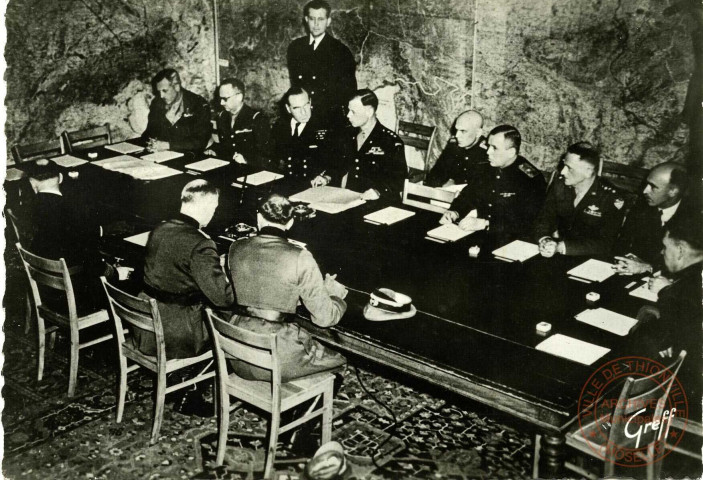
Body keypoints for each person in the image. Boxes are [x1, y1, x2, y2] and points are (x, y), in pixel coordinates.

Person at [227, 193, 347, 382]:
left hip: (237, 352)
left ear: (259, 218)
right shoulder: (301, 256)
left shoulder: (236, 247)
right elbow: (325, 319)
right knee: (338, 361)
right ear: (290, 222)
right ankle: (301, 407)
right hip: (276, 358)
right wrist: (335, 296)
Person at [135, 180, 234, 360]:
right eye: (214, 208)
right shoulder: (201, 242)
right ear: (207, 206)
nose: (214, 213)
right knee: (238, 319)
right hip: (179, 336)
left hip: (144, 325)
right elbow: (222, 298)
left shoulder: (159, 228)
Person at [24, 159, 131, 309]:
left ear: (32, 183)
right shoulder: (72, 213)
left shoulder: (27, 210)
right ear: (61, 178)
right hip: (73, 298)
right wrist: (115, 273)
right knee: (132, 281)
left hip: (45, 290)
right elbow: (91, 262)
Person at [439, 125, 545, 245]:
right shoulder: (485, 168)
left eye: (494, 148)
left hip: (514, 243)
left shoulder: (530, 180)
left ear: (511, 152)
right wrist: (454, 212)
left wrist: (486, 223)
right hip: (483, 237)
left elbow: (527, 221)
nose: (488, 152)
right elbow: (469, 195)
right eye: (488, 146)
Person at [637, 214, 702, 406]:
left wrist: (665, 291)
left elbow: (678, 327)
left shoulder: (690, 285)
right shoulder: (693, 275)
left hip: (686, 394)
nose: (662, 252)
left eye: (665, 247)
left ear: (680, 250)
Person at [534, 142, 625, 257]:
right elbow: (544, 217)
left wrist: (562, 247)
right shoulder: (560, 184)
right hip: (555, 250)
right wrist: (545, 239)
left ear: (588, 171)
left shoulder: (611, 198)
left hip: (589, 258)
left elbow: (605, 243)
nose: (562, 172)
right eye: (564, 165)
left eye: (569, 168)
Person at [613, 162, 691, 275]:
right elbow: (623, 241)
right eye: (646, 184)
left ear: (673, 191)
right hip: (635, 272)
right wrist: (625, 258)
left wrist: (649, 267)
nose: (645, 191)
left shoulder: (694, 218)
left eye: (653, 187)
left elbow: (690, 266)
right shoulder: (642, 206)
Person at [287, 0, 356, 127]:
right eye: (312, 19)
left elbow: (348, 93)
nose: (316, 24)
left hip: (328, 120)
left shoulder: (340, 51)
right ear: (306, 19)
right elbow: (296, 87)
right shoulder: (295, 48)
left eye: (321, 19)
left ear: (328, 21)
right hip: (301, 116)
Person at [341, 89, 407, 201]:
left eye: (353, 112)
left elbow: (399, 179)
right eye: (348, 110)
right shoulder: (349, 134)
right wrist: (326, 177)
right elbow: (340, 164)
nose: (348, 115)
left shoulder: (390, 141)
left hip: (380, 201)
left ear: (369, 112)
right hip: (352, 198)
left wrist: (378, 191)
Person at [270, 87, 336, 188]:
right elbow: (273, 158)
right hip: (285, 185)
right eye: (296, 108)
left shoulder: (325, 126)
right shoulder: (280, 127)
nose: (304, 112)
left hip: (314, 186)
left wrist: (327, 177)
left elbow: (340, 159)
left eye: (306, 105)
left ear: (310, 102)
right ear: (288, 109)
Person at [142, 68, 211, 155]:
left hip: (191, 156)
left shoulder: (198, 104)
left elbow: (199, 142)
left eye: (164, 91)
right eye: (159, 92)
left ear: (177, 86)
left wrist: (168, 145)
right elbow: (150, 132)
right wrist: (151, 141)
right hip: (163, 155)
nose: (161, 96)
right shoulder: (157, 103)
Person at [207, 78, 271, 168]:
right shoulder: (222, 117)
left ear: (239, 97)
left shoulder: (257, 119)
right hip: (229, 169)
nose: (221, 103)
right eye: (220, 99)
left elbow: (266, 155)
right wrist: (214, 151)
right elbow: (225, 147)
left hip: (252, 171)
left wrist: (246, 160)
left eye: (225, 99)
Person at [425, 111, 488, 187]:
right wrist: (442, 184)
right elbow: (435, 175)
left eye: (463, 131)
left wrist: (454, 184)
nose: (457, 135)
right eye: (456, 130)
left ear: (478, 133)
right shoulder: (453, 145)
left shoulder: (487, 151)